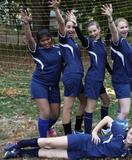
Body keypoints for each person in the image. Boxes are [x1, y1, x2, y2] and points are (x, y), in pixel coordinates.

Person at [3, 116, 132, 159]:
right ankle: (18, 144)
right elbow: (107, 119)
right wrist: (95, 131)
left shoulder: (128, 152)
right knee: (49, 142)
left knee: (48, 153)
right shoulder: (120, 132)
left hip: (83, 153)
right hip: (83, 140)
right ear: (128, 132)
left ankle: (18, 153)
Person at [67, 12, 111, 134]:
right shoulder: (90, 43)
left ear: (99, 29)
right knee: (90, 107)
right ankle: (87, 135)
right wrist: (76, 26)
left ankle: (105, 128)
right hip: (93, 79)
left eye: (94, 30)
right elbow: (81, 38)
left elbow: (104, 62)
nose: (92, 33)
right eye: (90, 32)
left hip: (99, 80)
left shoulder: (101, 44)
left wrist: (113, 73)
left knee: (106, 101)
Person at [20, 10, 62, 137]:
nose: (46, 42)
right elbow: (30, 39)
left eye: (48, 39)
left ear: (51, 38)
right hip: (39, 84)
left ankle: (47, 127)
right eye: (42, 41)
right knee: (45, 113)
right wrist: (26, 24)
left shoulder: (59, 50)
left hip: (53, 86)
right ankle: (42, 140)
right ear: (39, 42)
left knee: (55, 115)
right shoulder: (37, 51)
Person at [48, 0, 86, 135]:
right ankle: (68, 136)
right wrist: (57, 9)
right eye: (68, 27)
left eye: (72, 27)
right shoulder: (63, 39)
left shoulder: (73, 42)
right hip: (72, 76)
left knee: (84, 101)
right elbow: (61, 23)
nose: (70, 29)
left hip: (77, 76)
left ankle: (77, 129)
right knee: (68, 108)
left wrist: (74, 22)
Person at [101, 4, 132, 130]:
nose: (124, 29)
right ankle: (114, 133)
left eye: (126, 27)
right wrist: (110, 18)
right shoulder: (117, 41)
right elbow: (114, 31)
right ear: (117, 29)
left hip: (127, 79)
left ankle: (122, 131)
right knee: (125, 111)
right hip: (121, 80)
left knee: (121, 109)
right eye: (121, 27)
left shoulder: (126, 42)